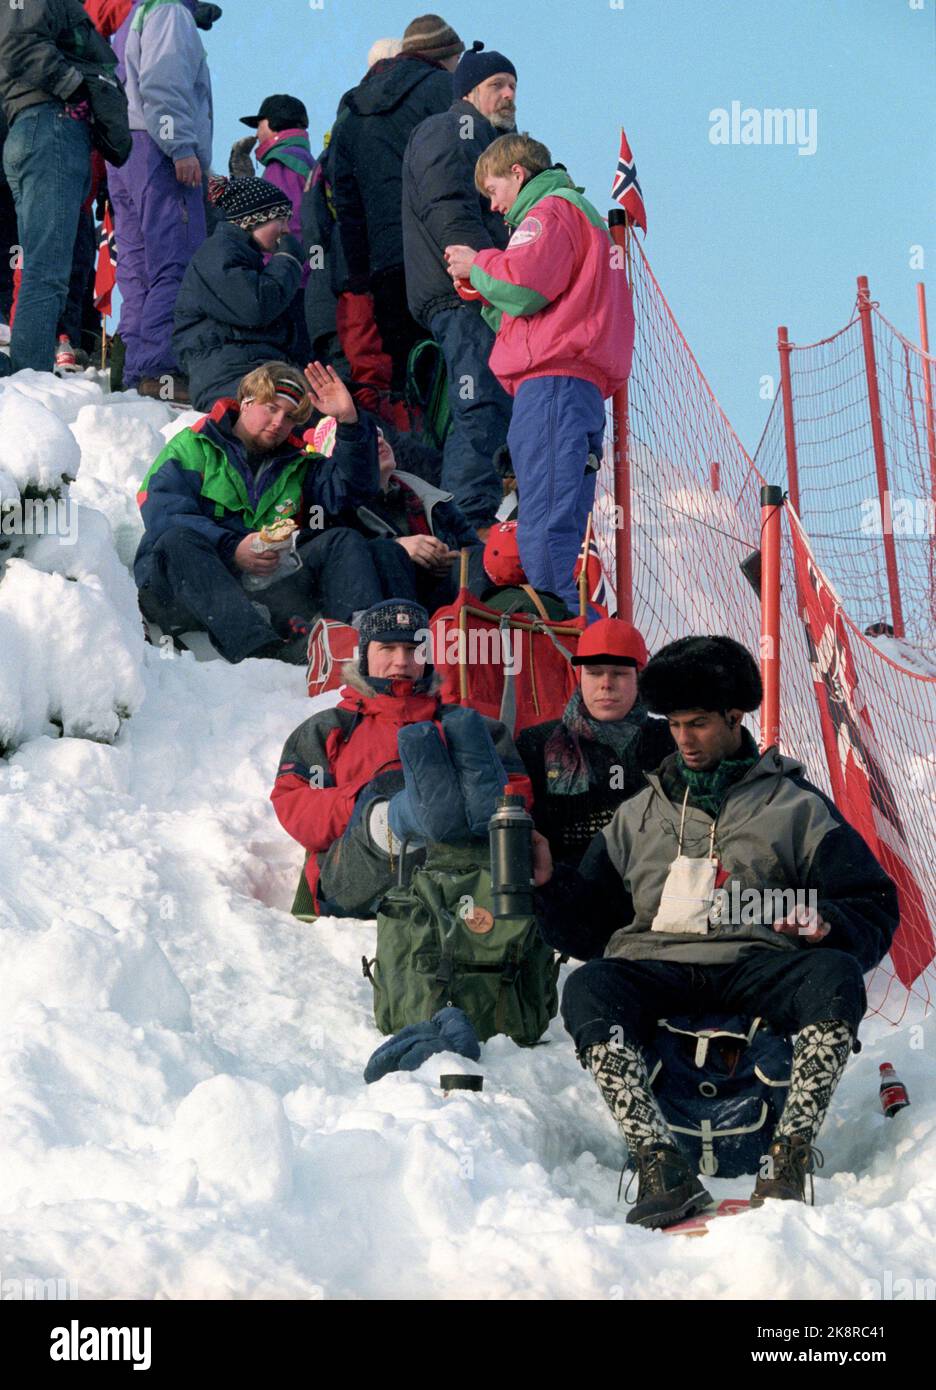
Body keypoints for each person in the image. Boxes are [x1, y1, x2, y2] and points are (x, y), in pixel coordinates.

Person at [532, 635, 898, 1228]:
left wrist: (826, 922)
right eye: (674, 724)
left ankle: (788, 1161)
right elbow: (591, 927)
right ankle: (660, 1165)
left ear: (735, 717)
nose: (683, 739)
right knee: (589, 987)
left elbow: (874, 902)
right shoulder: (640, 812)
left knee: (833, 976)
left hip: (759, 965)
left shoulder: (794, 804)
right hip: (658, 964)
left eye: (698, 723)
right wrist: (549, 885)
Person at [445, 133, 635, 614]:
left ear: (517, 173)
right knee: (564, 516)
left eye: (494, 191)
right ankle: (586, 635)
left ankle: (560, 634)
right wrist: (484, 291)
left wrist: (480, 263)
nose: (493, 206)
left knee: (544, 516)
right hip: (580, 386)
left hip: (552, 385)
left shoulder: (547, 211)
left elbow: (526, 286)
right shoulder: (580, 216)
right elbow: (532, 310)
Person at [133, 361, 416, 663]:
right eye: (271, 408)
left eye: (290, 417)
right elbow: (162, 511)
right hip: (179, 588)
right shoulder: (194, 444)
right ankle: (260, 651)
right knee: (178, 538)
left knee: (341, 540)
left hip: (259, 590)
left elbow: (352, 491)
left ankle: (358, 646)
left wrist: (349, 422)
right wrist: (232, 548)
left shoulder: (300, 463)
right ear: (246, 401)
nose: (279, 422)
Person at [272, 598, 531, 917]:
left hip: (459, 879)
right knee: (393, 797)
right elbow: (297, 811)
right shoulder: (327, 730)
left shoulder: (472, 729)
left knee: (483, 798)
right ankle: (397, 817)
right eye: (388, 649)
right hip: (358, 880)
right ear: (366, 654)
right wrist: (367, 802)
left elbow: (518, 795)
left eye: (413, 649)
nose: (401, 661)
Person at [402, 41, 517, 532]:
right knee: (479, 404)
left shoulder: (487, 142)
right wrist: (484, 274)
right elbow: (447, 205)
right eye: (497, 86)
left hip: (480, 293)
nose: (509, 94)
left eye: (513, 86)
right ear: (468, 90)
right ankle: (466, 530)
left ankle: (476, 518)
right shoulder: (448, 130)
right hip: (463, 295)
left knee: (487, 407)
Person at [330, 13, 463, 392]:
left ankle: (410, 449)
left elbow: (345, 197)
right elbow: (470, 164)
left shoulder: (351, 108)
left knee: (407, 383)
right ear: (442, 55)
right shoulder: (445, 88)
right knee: (455, 374)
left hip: (383, 266)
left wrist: (359, 276)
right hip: (442, 255)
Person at [108, 0, 215, 403]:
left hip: (125, 149)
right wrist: (181, 145)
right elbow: (164, 80)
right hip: (158, 147)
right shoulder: (169, 10)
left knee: (137, 267)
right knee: (177, 259)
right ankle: (159, 371)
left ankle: (135, 370)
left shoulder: (135, 13)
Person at [0, 0, 113, 374]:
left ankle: (28, 374)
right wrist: (76, 89)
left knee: (46, 267)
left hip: (44, 128)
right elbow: (17, 44)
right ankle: (29, 377)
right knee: (46, 270)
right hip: (49, 126)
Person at [517, 618, 674, 867]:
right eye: (594, 672)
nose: (605, 684)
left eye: (619, 673)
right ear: (581, 677)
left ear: (639, 678)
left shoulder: (669, 740)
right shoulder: (535, 743)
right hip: (563, 885)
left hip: (649, 883)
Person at [311, 414, 485, 609]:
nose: (379, 440)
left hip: (449, 606)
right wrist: (399, 547)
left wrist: (451, 558)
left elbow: (474, 548)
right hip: (393, 620)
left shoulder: (428, 495)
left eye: (378, 434)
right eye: (366, 440)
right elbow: (343, 566)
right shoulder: (334, 513)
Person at [173, 175, 305, 411]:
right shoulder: (217, 253)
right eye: (280, 220)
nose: (286, 231)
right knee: (303, 417)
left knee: (339, 413)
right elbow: (255, 307)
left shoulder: (246, 261)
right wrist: (288, 260)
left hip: (253, 372)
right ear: (253, 219)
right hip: (227, 379)